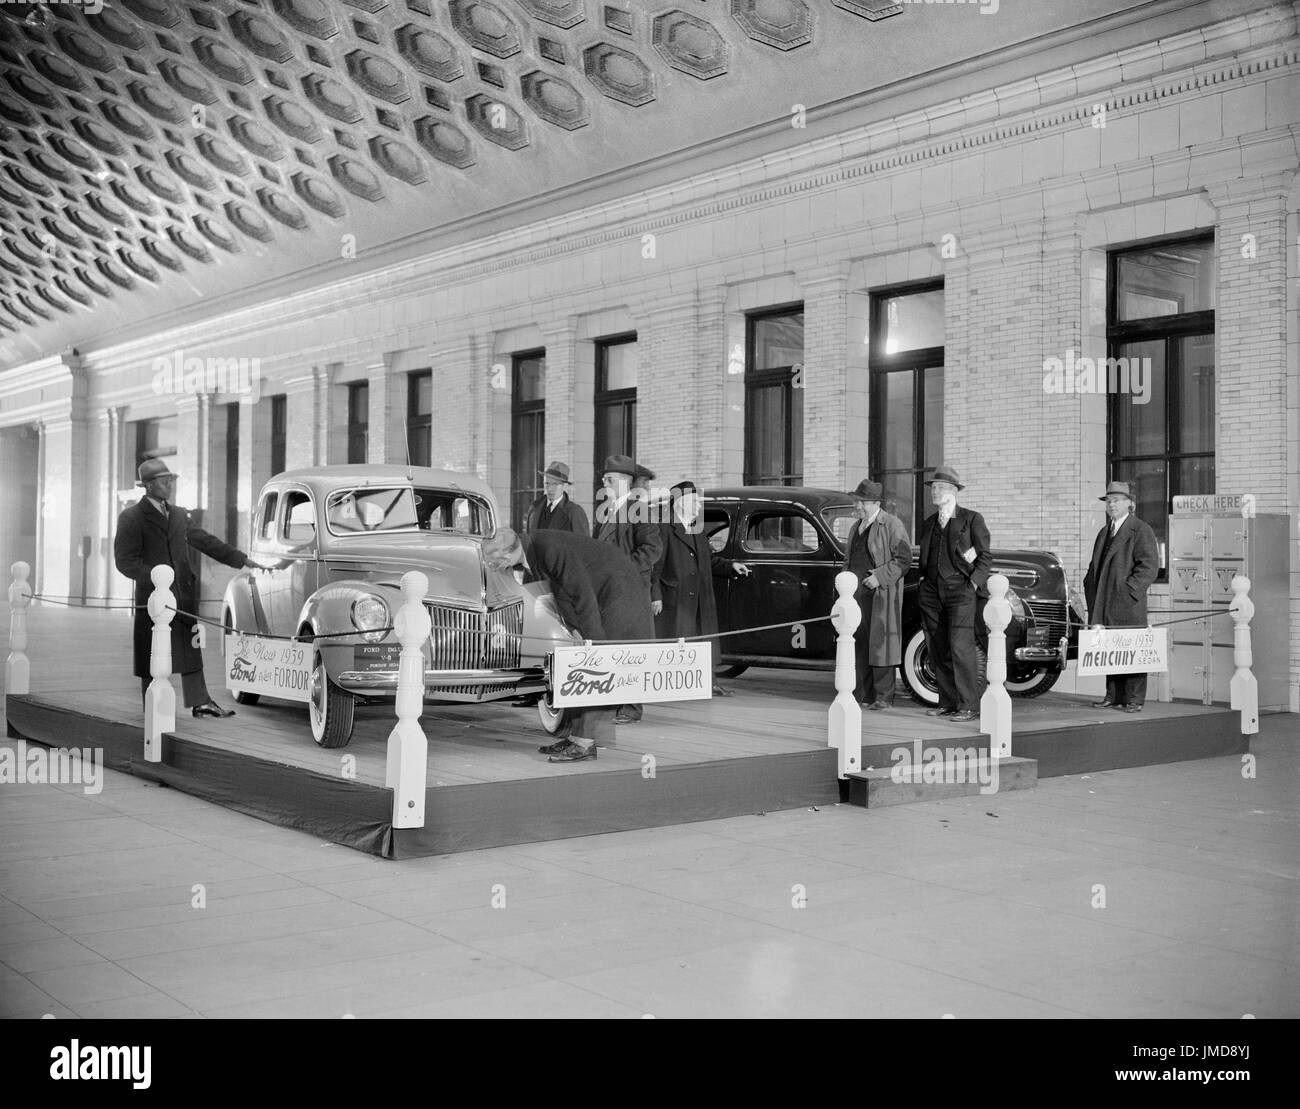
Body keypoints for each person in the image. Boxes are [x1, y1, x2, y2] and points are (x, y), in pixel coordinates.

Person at [114, 458, 272, 718]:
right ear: (149, 486)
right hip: (153, 597)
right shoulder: (131, 517)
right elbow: (125, 561)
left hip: (183, 593)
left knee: (190, 647)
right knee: (151, 651)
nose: (169, 485)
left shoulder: (177, 514)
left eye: (170, 480)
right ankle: (153, 704)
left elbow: (206, 542)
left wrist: (241, 559)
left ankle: (201, 701)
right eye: (164, 481)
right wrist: (155, 578)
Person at [482, 527, 653, 762]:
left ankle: (584, 744)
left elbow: (582, 594)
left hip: (617, 595)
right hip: (601, 592)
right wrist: (573, 629)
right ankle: (578, 738)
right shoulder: (534, 548)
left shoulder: (548, 548)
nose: (496, 568)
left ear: (507, 556)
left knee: (597, 669)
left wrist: (591, 640)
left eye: (494, 563)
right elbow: (563, 593)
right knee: (581, 665)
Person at [652, 480, 750, 697]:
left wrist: (731, 566)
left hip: (699, 595)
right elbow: (655, 565)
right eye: (694, 501)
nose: (698, 506)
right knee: (676, 642)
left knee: (703, 638)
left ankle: (709, 681)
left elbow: (710, 559)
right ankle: (673, 685)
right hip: (675, 595)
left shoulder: (697, 529)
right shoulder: (664, 528)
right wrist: (655, 595)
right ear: (680, 502)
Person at [916, 465, 991, 722]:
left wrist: (972, 584)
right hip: (932, 593)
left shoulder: (971, 519)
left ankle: (969, 705)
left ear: (953, 491)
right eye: (933, 487)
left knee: (961, 648)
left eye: (940, 487)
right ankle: (947, 702)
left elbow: (985, 557)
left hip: (961, 591)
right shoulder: (929, 523)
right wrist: (925, 581)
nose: (935, 492)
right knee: (938, 648)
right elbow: (925, 557)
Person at [594, 453, 663, 724]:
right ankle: (614, 702)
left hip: (631, 591)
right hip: (609, 591)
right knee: (613, 648)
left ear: (623, 482)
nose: (604, 482)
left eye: (608, 479)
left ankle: (632, 708)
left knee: (632, 651)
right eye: (604, 478)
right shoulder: (609, 510)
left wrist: (622, 569)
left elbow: (652, 549)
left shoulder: (639, 509)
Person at [1082, 480, 1160, 713]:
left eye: (1116, 501)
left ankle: (1134, 700)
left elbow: (1149, 567)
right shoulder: (1104, 532)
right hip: (1104, 601)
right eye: (1108, 501)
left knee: (1132, 652)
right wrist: (1090, 586)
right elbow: (1095, 566)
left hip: (1126, 602)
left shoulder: (1140, 529)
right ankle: (1113, 696)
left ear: (1130, 504)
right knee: (1110, 651)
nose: (1111, 505)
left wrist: (1129, 591)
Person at [841, 479, 912, 710]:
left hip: (880, 596)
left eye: (861, 502)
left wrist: (879, 577)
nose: (857, 506)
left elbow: (903, 560)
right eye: (857, 501)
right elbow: (848, 561)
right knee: (860, 644)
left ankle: (883, 698)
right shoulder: (856, 527)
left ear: (874, 503)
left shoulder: (892, 525)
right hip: (856, 598)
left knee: (881, 645)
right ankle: (865, 695)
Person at [524, 461, 589, 537]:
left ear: (564, 486)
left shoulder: (574, 512)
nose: (550, 489)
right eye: (547, 483)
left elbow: (583, 546)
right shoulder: (534, 508)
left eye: (555, 484)